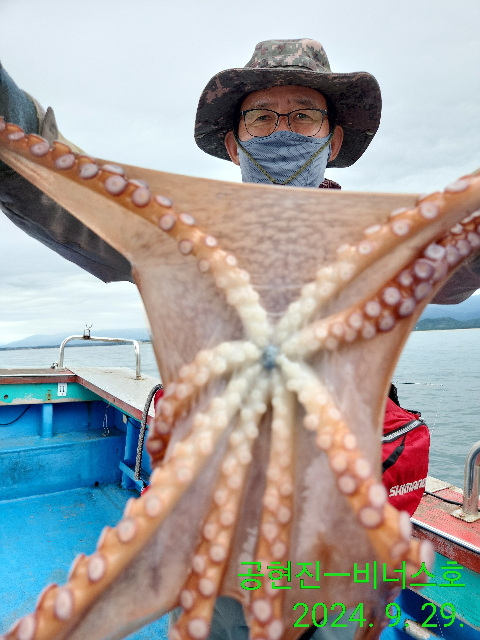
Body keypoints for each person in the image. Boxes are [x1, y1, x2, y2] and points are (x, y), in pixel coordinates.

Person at [0, 38, 479, 639]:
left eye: (303, 115)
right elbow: (52, 178)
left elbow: (465, 252)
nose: (283, 130)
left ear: (333, 139)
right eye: (262, 117)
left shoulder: (386, 246)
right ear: (234, 142)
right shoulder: (179, 237)